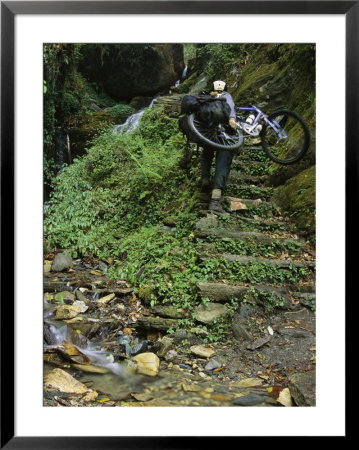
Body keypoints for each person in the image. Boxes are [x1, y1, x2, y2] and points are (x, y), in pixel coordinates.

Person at [200, 80, 237, 213]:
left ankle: (205, 178)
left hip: (208, 134)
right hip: (223, 135)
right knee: (223, 162)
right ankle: (215, 200)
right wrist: (232, 119)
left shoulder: (207, 98)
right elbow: (231, 108)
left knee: (207, 153)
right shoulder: (226, 96)